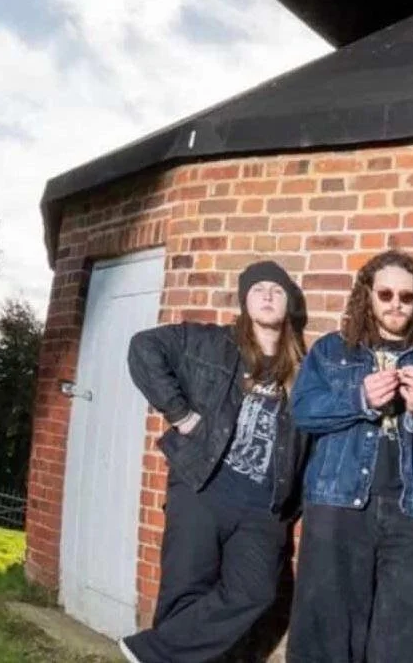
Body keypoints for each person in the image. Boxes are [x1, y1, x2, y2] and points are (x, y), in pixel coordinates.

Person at [119, 260, 308, 663]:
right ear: (245, 301)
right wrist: (181, 415)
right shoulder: (210, 342)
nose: (268, 296)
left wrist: (293, 503)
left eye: (277, 290)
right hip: (203, 486)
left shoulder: (304, 371)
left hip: (264, 508)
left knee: (256, 592)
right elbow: (143, 347)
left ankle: (149, 653)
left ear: (288, 304)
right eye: (258, 290)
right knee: (185, 591)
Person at [286, 249, 413, 663]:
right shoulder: (332, 350)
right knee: (326, 628)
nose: (395, 305)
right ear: (367, 295)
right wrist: (360, 398)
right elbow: (303, 411)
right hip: (336, 502)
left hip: (410, 505)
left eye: (406, 297)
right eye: (385, 294)